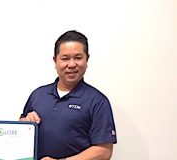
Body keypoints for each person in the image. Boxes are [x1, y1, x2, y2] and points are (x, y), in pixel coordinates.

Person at [20, 30, 117, 160]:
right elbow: (20, 131)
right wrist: (26, 123)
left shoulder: (98, 101)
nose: (71, 64)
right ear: (55, 61)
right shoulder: (38, 95)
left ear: (87, 59)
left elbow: (104, 151)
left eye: (78, 58)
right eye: (65, 58)